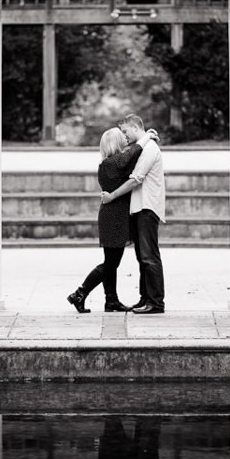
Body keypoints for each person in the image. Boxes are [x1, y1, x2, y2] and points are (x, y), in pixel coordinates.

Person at [67, 126, 158, 313]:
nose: (125, 138)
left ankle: (111, 301)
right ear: (115, 142)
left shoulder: (108, 163)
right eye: (121, 137)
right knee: (111, 263)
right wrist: (147, 135)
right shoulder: (113, 162)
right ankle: (80, 293)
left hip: (112, 215)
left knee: (111, 261)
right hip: (113, 217)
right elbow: (134, 151)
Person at [102, 114, 166, 315]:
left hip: (147, 207)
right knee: (142, 257)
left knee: (149, 257)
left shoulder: (149, 148)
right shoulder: (142, 147)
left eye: (125, 131)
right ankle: (145, 298)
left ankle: (156, 302)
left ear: (135, 127)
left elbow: (136, 179)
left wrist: (112, 196)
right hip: (139, 208)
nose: (124, 136)